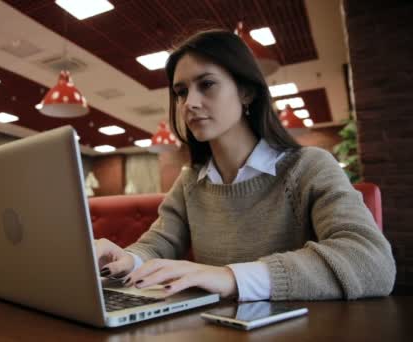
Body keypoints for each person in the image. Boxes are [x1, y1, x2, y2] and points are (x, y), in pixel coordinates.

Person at [95, 29, 395, 301]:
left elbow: (372, 262)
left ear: (246, 92)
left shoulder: (308, 167)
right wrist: (126, 260)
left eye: (207, 84)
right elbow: (159, 243)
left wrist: (231, 277)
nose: (189, 103)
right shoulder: (190, 182)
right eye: (181, 92)